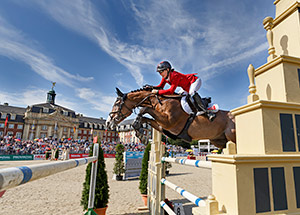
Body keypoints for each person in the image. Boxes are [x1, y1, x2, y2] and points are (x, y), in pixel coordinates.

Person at [151, 61, 215, 121]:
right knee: (180, 95)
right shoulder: (165, 77)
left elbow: (171, 91)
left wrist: (157, 92)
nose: (160, 74)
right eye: (159, 72)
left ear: (167, 70)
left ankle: (206, 112)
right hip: (186, 87)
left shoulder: (175, 75)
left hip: (194, 81)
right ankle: (205, 100)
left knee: (192, 93)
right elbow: (160, 86)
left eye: (161, 71)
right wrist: (151, 87)